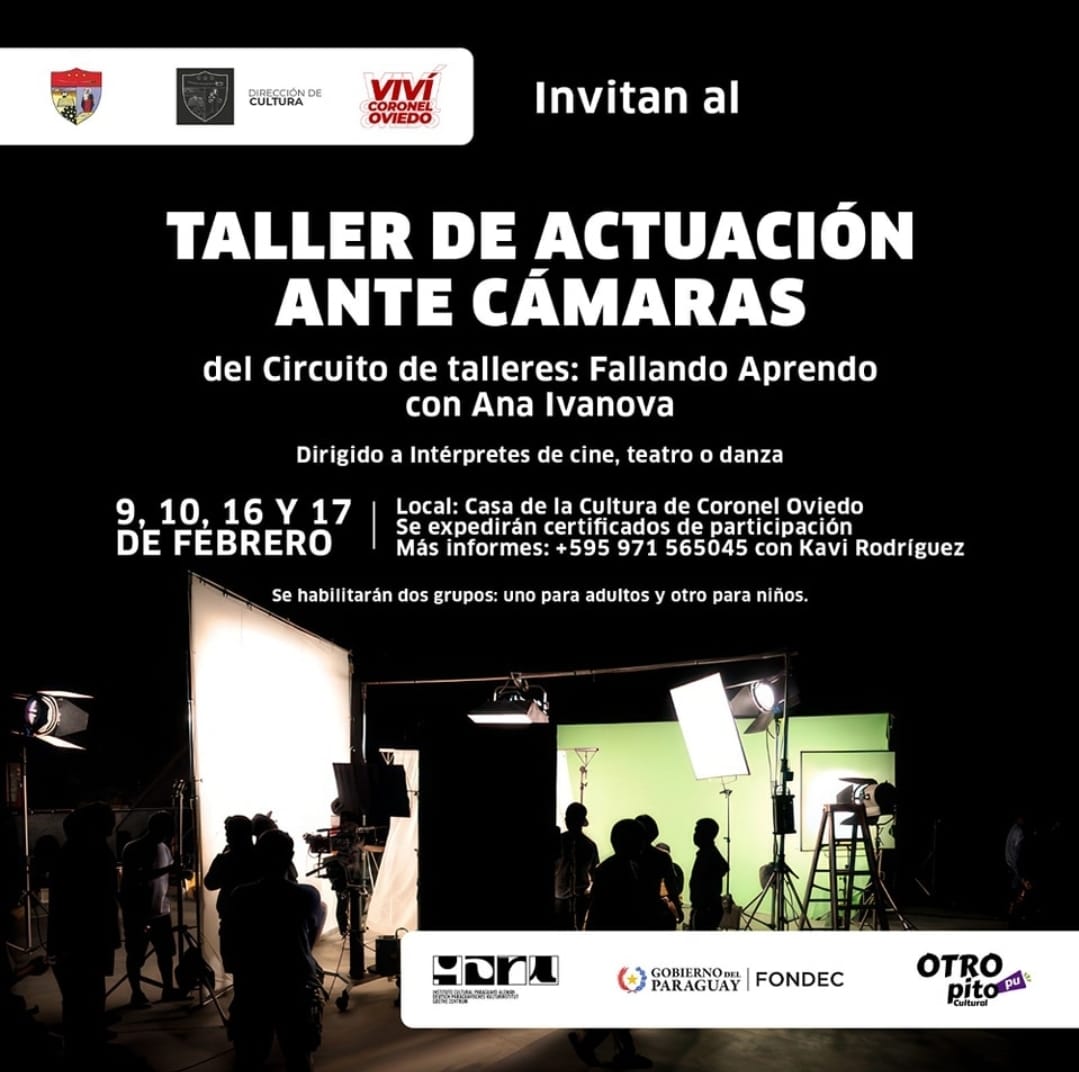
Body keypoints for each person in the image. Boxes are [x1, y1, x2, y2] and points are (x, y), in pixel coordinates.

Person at [222, 829, 325, 1072]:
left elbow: (231, 939)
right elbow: (313, 929)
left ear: (258, 855)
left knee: (249, 1059)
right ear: (290, 857)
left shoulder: (241, 895)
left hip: (253, 983)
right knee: (299, 1058)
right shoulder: (307, 895)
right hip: (294, 982)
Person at [570, 818, 652, 1069]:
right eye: (639, 840)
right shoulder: (616, 870)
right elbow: (610, 913)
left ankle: (618, 1050)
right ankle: (594, 1046)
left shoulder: (620, 866)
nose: (643, 844)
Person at [47, 802, 121, 1063]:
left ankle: (88, 1036)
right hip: (84, 937)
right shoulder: (87, 853)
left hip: (84, 936)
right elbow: (93, 900)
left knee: (86, 990)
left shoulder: (80, 850)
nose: (113, 824)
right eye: (108, 820)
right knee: (83, 992)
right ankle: (85, 1043)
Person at [120, 811, 180, 1006]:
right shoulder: (133, 848)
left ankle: (168, 989)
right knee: (136, 955)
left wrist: (177, 873)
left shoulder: (164, 848)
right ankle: (136, 994)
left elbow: (165, 874)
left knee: (166, 953)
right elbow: (135, 877)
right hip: (138, 912)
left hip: (161, 910)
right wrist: (168, 870)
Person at [204, 815, 259, 965]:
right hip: (257, 922)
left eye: (228, 832)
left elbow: (210, 883)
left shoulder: (225, 859)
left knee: (237, 969)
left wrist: (221, 859)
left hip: (232, 922)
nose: (227, 836)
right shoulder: (261, 857)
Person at [555, 802, 600, 929]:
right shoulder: (590, 845)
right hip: (580, 897)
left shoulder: (557, 842)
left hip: (559, 896)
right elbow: (594, 874)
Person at [634, 814, 680, 930]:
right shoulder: (662, 857)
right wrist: (678, 909)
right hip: (653, 906)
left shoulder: (625, 858)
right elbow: (672, 885)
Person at [688, 817, 729, 930]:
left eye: (697, 831)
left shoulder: (708, 855)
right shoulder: (709, 853)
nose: (695, 835)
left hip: (705, 910)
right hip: (708, 909)